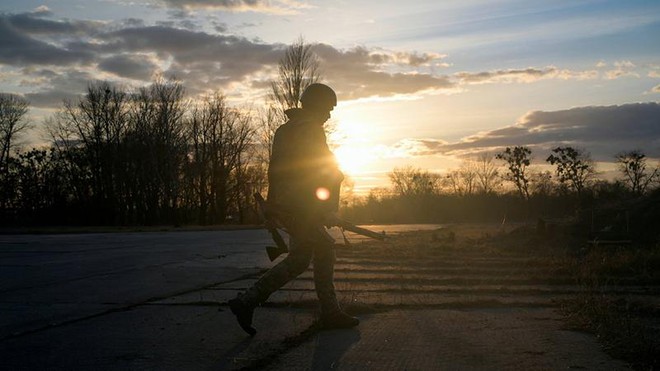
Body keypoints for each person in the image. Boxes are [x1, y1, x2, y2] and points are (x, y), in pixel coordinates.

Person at [228, 83, 359, 336]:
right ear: (317, 106)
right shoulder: (311, 130)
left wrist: (272, 207)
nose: (329, 115)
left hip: (289, 206)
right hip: (303, 207)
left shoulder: (284, 130)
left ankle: (246, 301)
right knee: (323, 251)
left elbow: (275, 171)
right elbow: (324, 172)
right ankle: (329, 314)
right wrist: (328, 207)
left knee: (300, 259)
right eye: (328, 109)